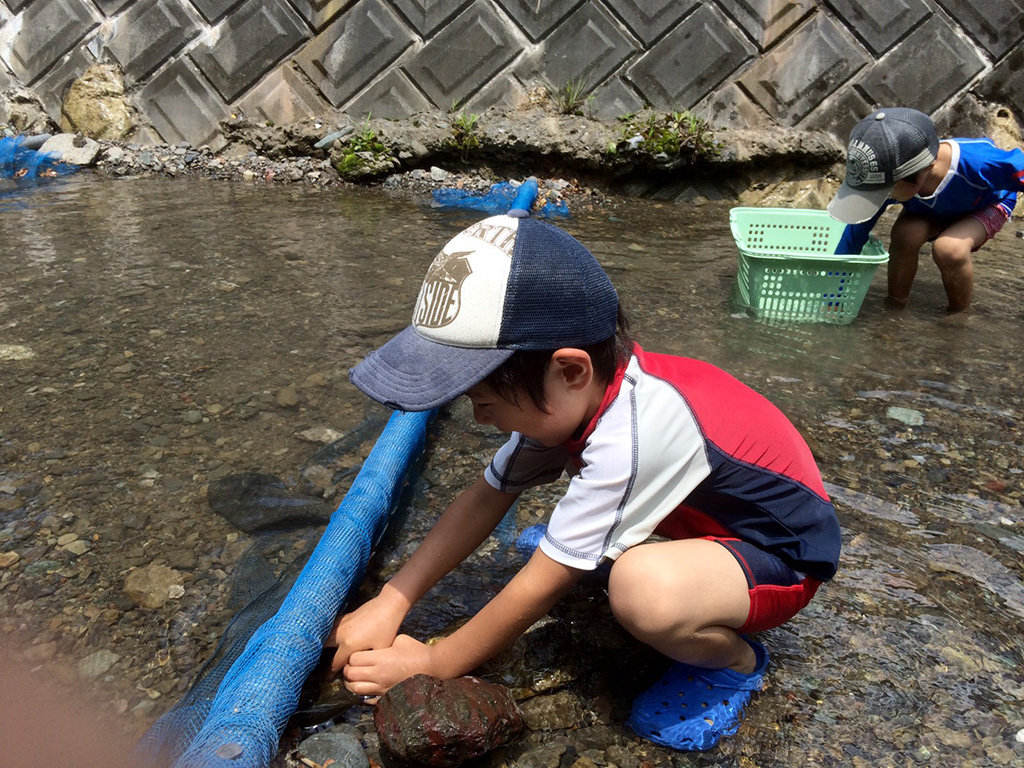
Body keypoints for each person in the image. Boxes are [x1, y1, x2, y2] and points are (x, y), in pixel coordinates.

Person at [327, 211, 841, 750]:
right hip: (714, 531)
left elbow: (544, 583)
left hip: (784, 558)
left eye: (485, 400)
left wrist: (435, 661)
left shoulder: (637, 432)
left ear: (570, 370)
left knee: (643, 591)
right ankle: (608, 553)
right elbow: (486, 496)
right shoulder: (574, 400)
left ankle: (734, 662)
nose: (479, 418)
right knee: (573, 549)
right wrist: (393, 599)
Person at [828, 107, 1024, 312]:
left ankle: (959, 316)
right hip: (933, 210)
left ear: (922, 171)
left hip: (986, 204)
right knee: (906, 235)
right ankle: (895, 306)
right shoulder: (892, 177)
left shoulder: (978, 162)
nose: (880, 197)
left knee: (949, 249)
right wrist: (832, 295)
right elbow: (855, 232)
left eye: (882, 192)